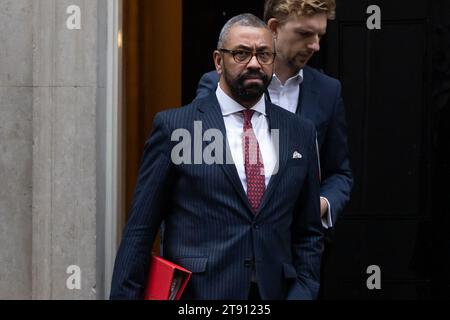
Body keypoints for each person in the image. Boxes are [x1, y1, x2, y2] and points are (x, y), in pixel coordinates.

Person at [110, 13, 323, 300]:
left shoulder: (300, 131)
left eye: (264, 54)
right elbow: (140, 230)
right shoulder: (176, 127)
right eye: (241, 53)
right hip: (200, 295)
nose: (253, 64)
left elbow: (308, 232)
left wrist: (303, 292)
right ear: (218, 61)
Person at [196, 0, 353, 231]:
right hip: (230, 241)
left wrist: (319, 206)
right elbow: (195, 166)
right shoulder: (217, 84)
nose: (315, 45)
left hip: (299, 246)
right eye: (305, 34)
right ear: (274, 28)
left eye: (320, 35)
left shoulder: (328, 91)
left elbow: (339, 172)